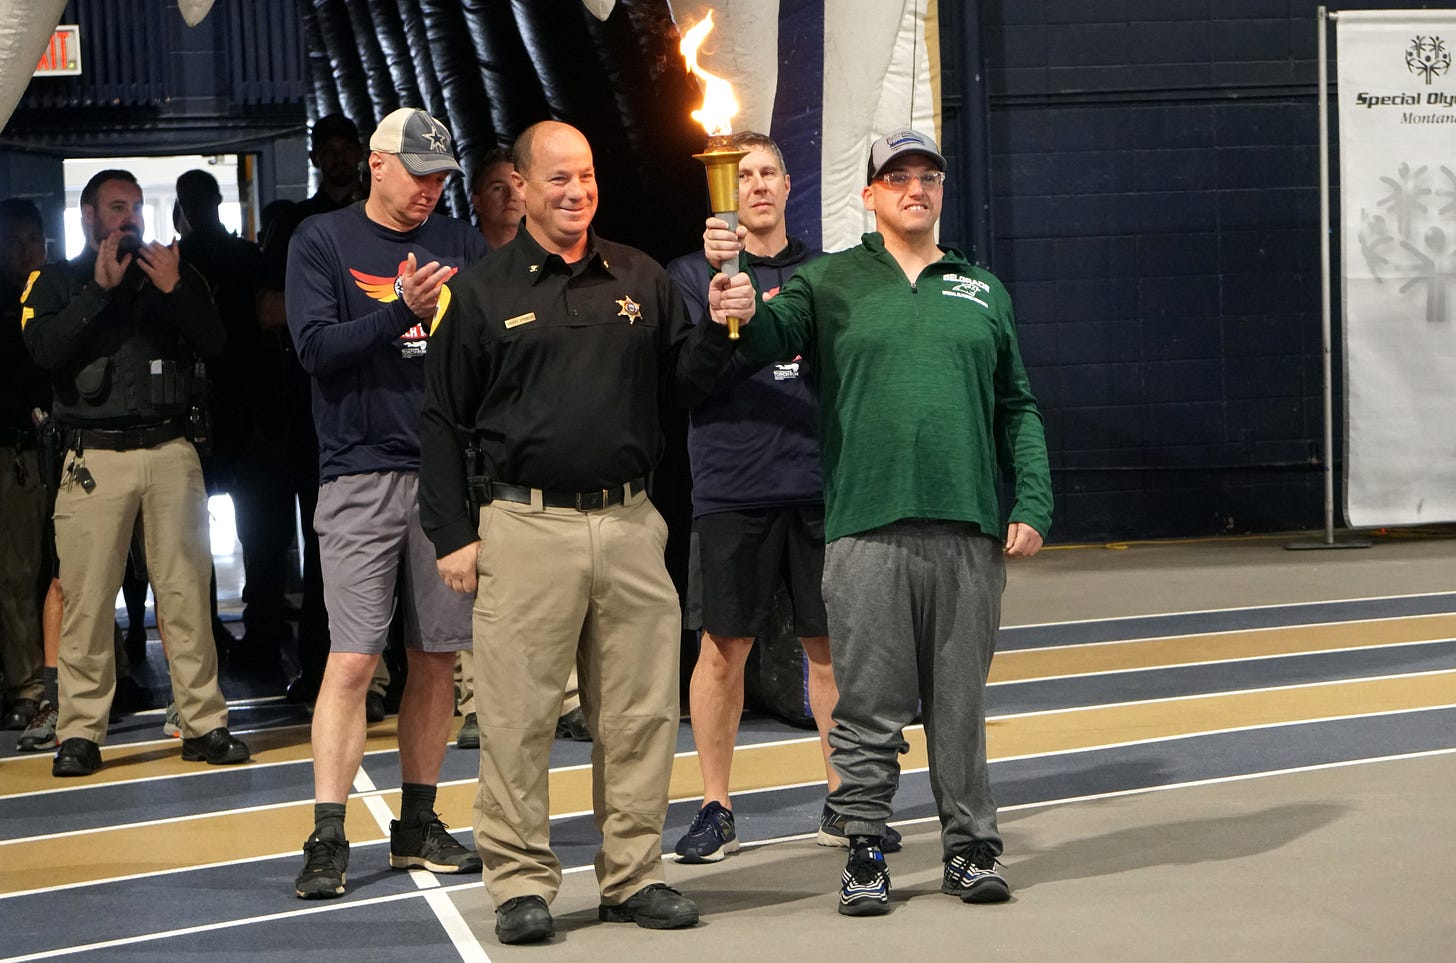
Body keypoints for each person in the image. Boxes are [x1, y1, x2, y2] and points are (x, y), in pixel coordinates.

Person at [418, 120, 753, 945]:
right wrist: (454, 533)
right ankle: (521, 883)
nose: (576, 191)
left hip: (633, 524)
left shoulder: (640, 275)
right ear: (522, 189)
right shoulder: (481, 291)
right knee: (518, 715)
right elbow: (440, 421)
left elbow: (684, 387)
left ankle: (632, 874)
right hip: (526, 527)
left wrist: (719, 323)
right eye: (558, 178)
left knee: (639, 713)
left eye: (588, 174)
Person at [707, 128, 1052, 915]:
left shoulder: (981, 289)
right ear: (869, 194)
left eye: (928, 175)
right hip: (864, 528)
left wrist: (1032, 498)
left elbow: (1017, 405)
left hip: (966, 529)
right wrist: (729, 300)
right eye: (897, 176)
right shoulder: (829, 282)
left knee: (960, 703)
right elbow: (761, 337)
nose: (915, 188)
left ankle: (971, 848)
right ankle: (864, 848)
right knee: (866, 704)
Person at [664, 130, 900, 861]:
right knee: (722, 650)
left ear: (789, 185)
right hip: (732, 489)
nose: (757, 184)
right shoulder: (685, 273)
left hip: (819, 486)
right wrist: (714, 306)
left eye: (768, 172)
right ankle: (714, 805)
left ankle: (844, 797)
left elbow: (848, 376)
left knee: (827, 650)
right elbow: (683, 386)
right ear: (727, 190)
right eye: (746, 174)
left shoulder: (827, 275)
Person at [287, 108, 486, 900]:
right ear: (376, 164)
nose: (431, 192)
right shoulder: (323, 241)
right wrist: (402, 310)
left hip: (446, 479)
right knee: (354, 657)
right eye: (419, 175)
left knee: (438, 655)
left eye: (442, 179)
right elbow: (314, 349)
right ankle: (328, 834)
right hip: (360, 473)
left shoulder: (464, 244)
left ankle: (418, 824)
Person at [21, 170, 251, 777]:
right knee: (88, 602)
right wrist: (97, 293)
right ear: (90, 217)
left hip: (171, 450)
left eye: (136, 207)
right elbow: (41, 352)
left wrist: (175, 290)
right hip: (93, 456)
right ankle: (79, 733)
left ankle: (203, 724)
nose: (129, 218)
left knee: (185, 595)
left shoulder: (172, 275)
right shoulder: (54, 279)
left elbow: (218, 342)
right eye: (116, 207)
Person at [450, 146, 587, 752]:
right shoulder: (468, 269)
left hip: (566, 466)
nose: (509, 196)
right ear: (478, 200)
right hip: (493, 463)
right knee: (484, 589)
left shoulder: (576, 262)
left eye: (515, 184)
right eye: (498, 188)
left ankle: (571, 699)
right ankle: (478, 699)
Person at [257, 113, 367, 707]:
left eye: (348, 147)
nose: (340, 158)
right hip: (317, 410)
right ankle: (321, 665)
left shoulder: (395, 219)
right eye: (329, 149)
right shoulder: (297, 225)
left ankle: (397, 672)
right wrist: (354, 319)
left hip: (394, 403)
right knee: (325, 548)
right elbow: (268, 312)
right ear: (314, 156)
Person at [176, 169, 294, 673]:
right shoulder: (240, 257)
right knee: (246, 532)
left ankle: (226, 630)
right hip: (237, 409)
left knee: (203, 532)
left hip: (220, 410)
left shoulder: (183, 262)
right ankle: (254, 629)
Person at [0, 198, 51, 737]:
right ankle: (27, 685)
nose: (23, 250)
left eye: (31, 239)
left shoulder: (60, 292)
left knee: (78, 574)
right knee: (16, 575)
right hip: (13, 450)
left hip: (67, 448)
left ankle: (99, 676)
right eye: (12, 240)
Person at [468, 148, 523, 250]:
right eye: (498, 188)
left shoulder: (548, 255)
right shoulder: (463, 257)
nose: (511, 196)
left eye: (517, 187)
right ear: (478, 203)